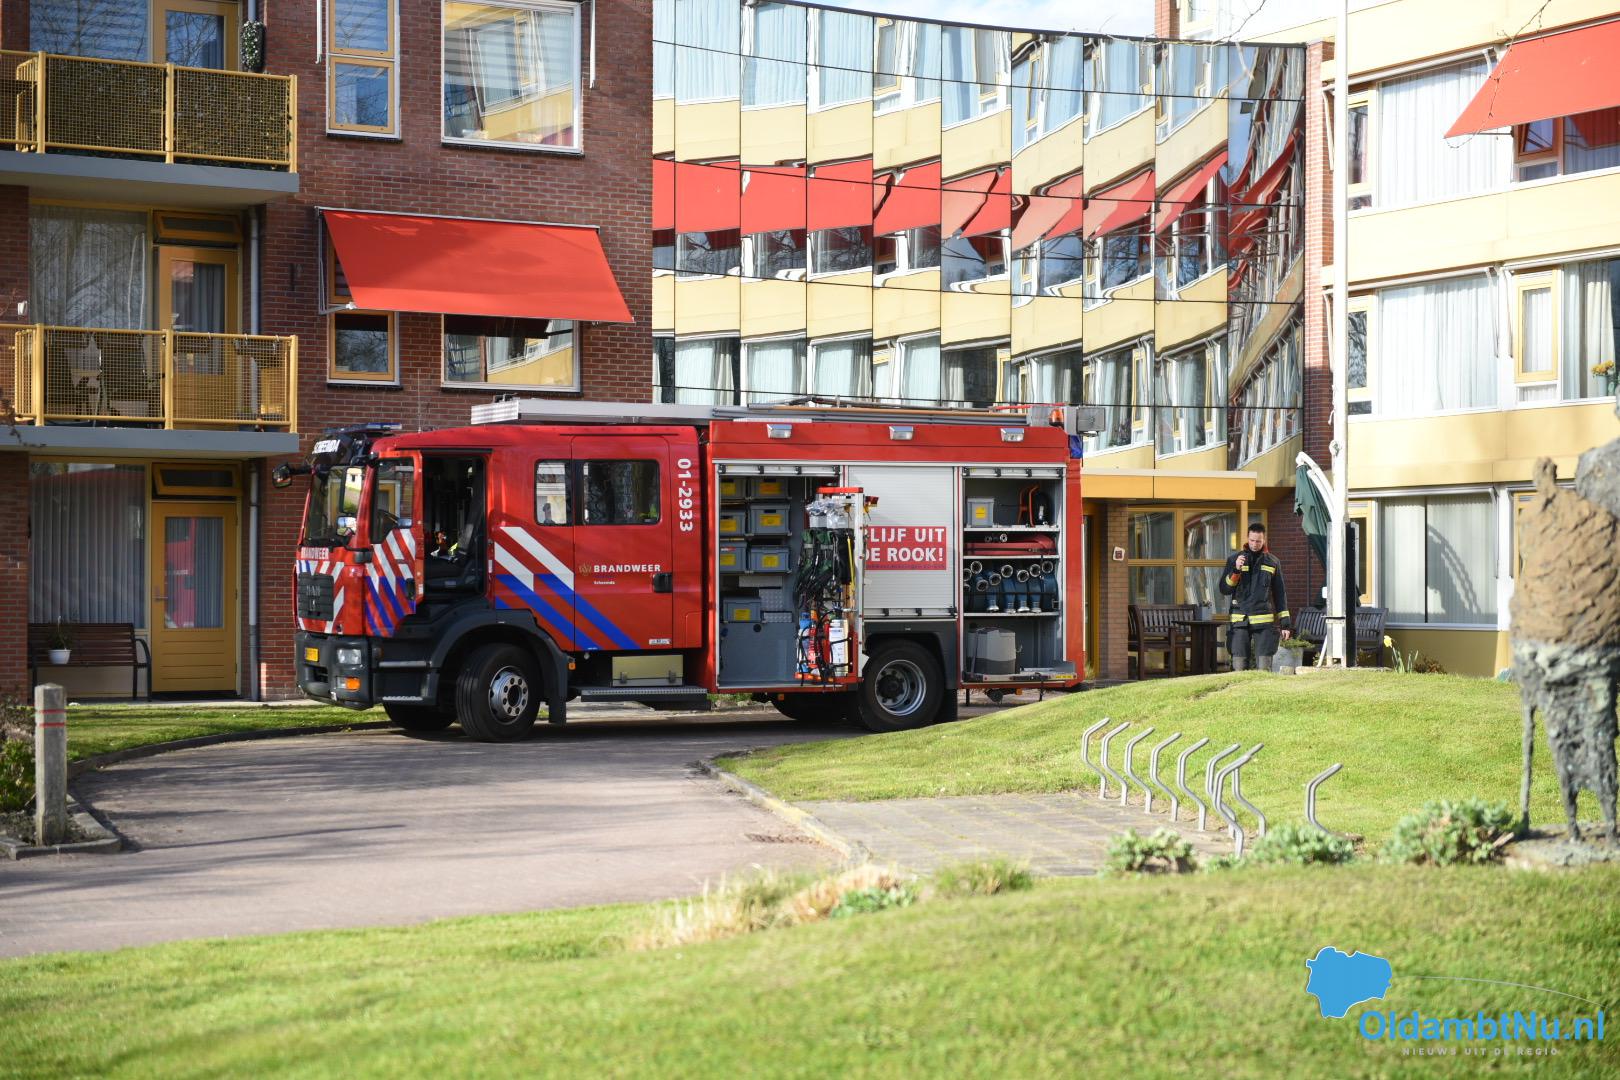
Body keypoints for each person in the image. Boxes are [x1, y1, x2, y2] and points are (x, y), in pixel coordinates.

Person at [1220, 523, 1292, 671]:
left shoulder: (1273, 562)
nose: (1254, 544)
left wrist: (1285, 624)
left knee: (1264, 669)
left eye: (1258, 541)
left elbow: (1279, 593)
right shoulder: (1235, 559)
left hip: (1263, 621)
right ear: (1247, 538)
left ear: (1264, 540)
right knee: (1239, 668)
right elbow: (1225, 589)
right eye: (1252, 540)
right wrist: (1236, 570)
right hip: (1240, 620)